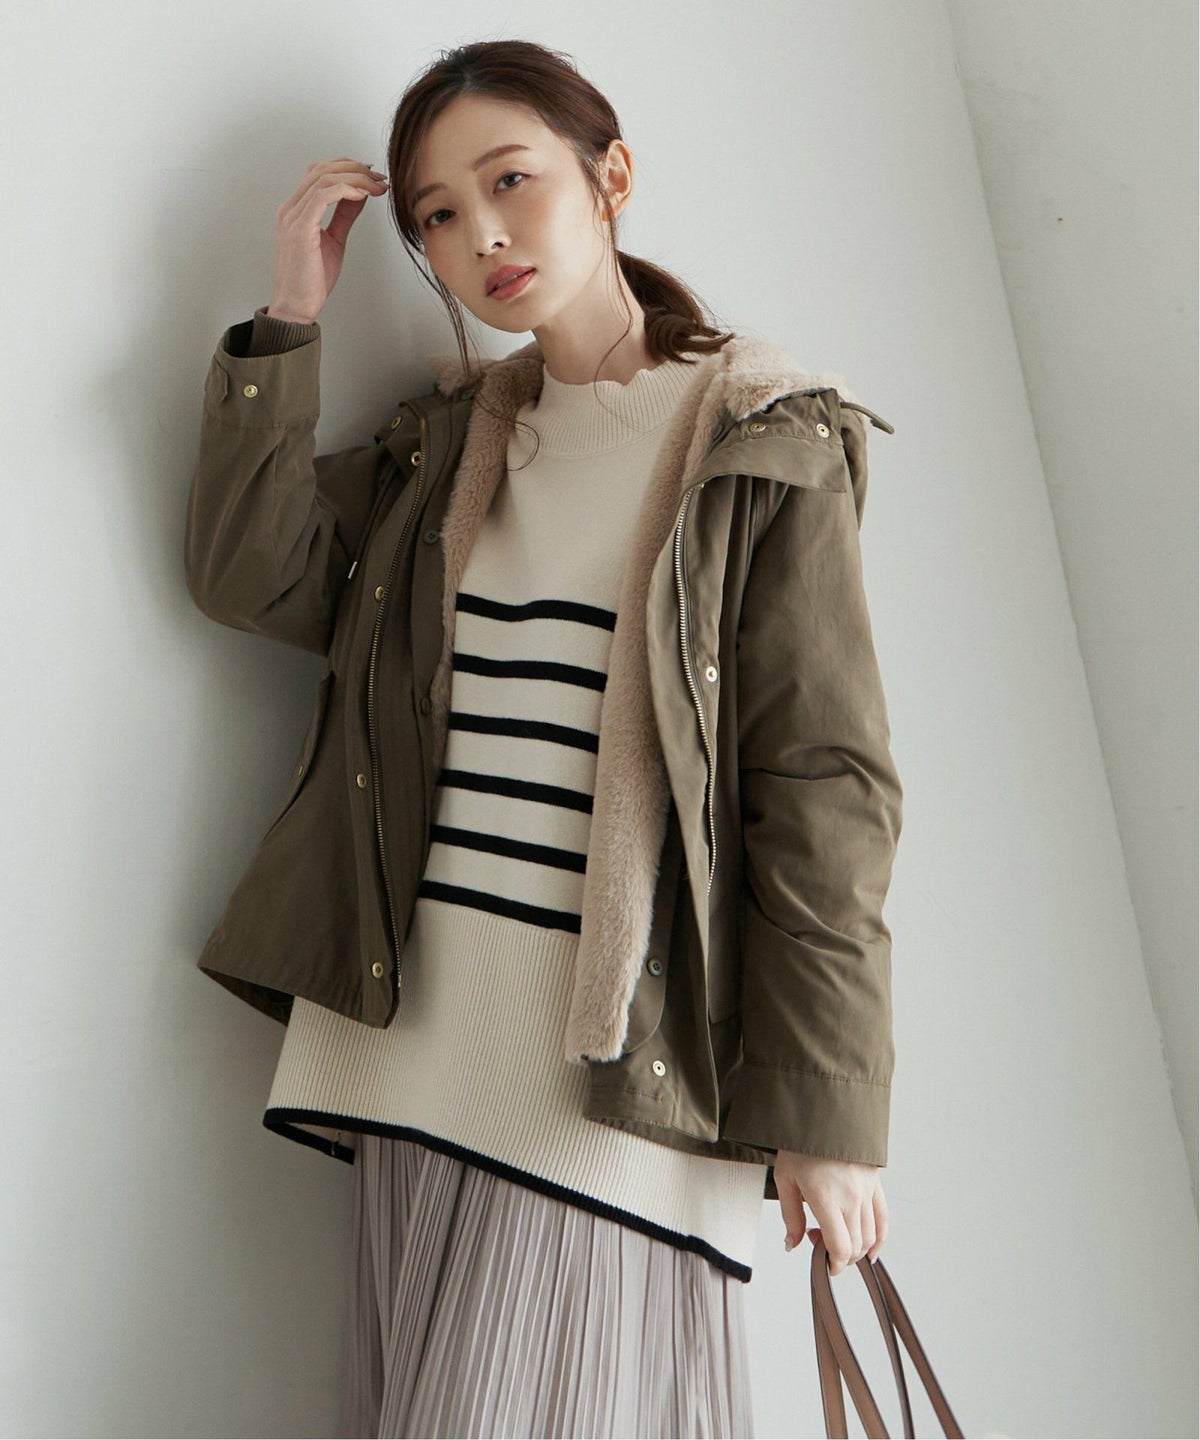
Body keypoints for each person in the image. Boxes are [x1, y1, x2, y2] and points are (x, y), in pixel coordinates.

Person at [183, 37, 903, 1440]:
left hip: (604, 1083)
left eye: (512, 181)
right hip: (420, 1043)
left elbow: (823, 788)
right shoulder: (454, 447)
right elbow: (252, 574)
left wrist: (830, 1114)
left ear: (611, 176)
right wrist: (290, 316)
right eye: (438, 215)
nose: (484, 235)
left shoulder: (761, 440)